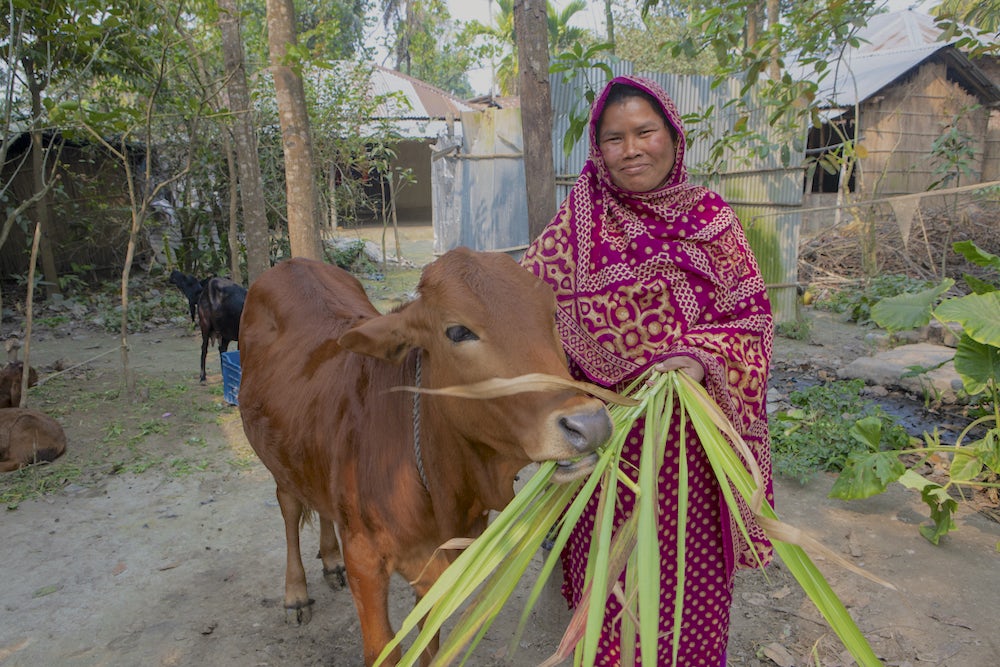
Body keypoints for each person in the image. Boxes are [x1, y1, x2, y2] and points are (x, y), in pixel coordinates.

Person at [520, 75, 774, 665]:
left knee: (692, 584)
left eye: (644, 132)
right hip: (607, 445)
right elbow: (528, 316)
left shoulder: (713, 218)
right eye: (614, 138)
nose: (631, 149)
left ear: (672, 135)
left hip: (695, 448)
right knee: (608, 589)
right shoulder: (575, 224)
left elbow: (754, 319)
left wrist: (701, 357)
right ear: (597, 148)